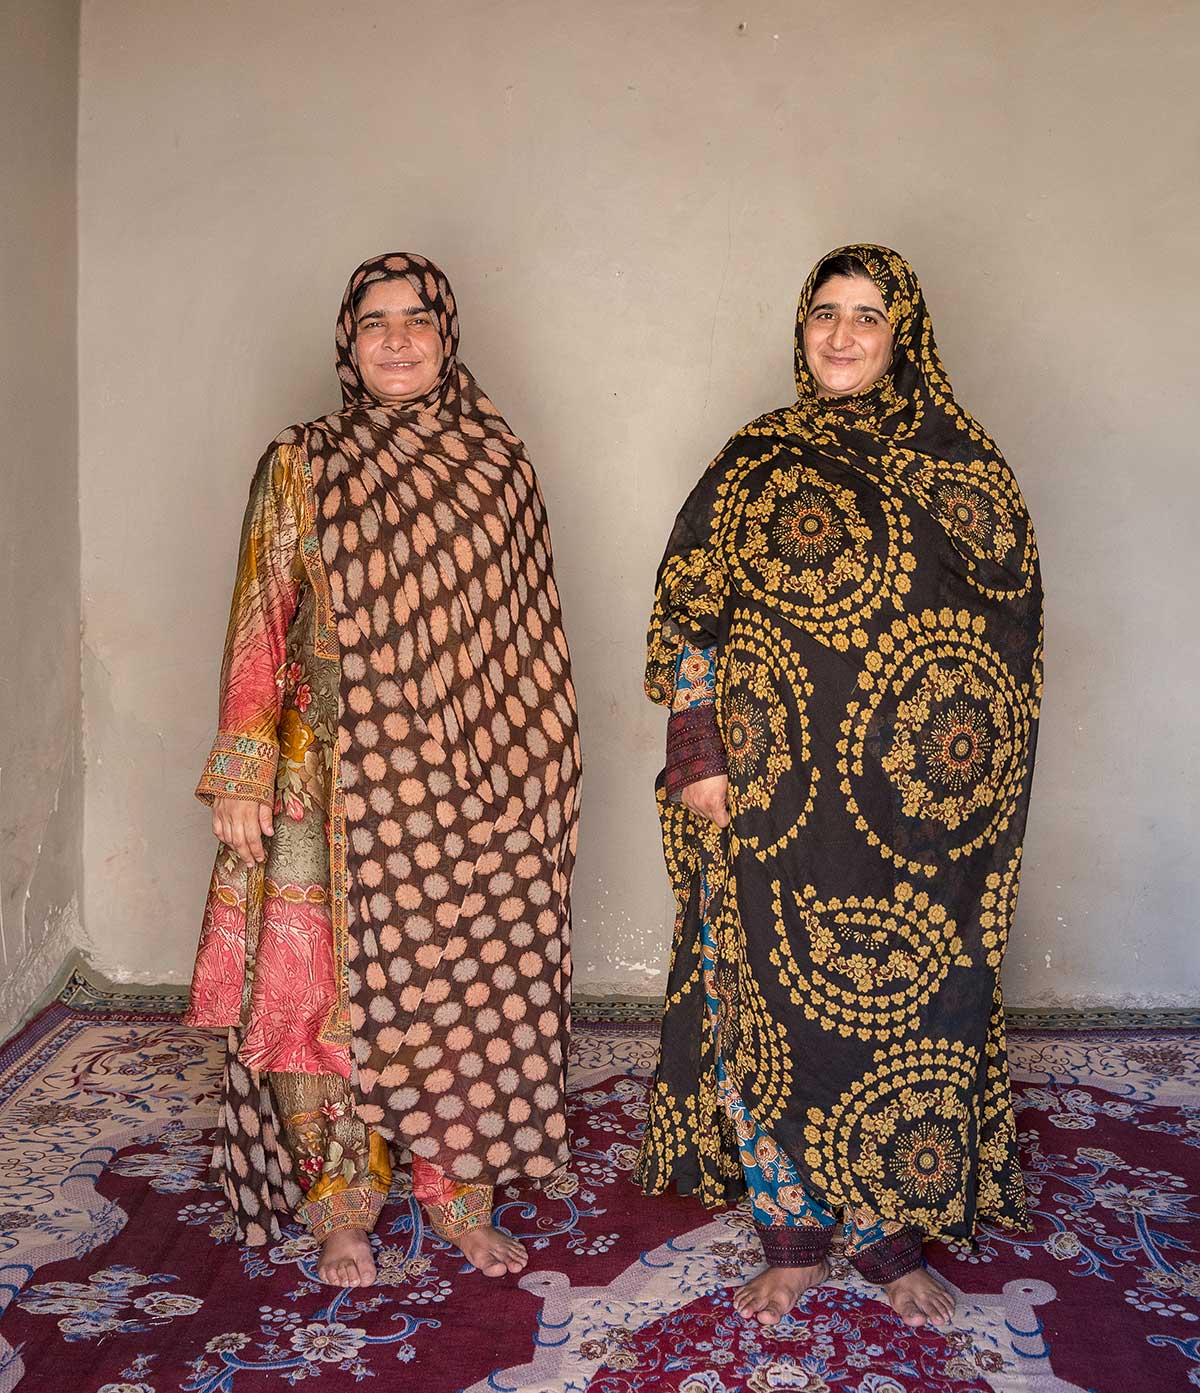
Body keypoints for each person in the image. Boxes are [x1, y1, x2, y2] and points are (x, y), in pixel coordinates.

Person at [638, 244, 1042, 1328]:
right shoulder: (755, 461)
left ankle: (890, 1238)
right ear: (801, 326)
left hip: (917, 816)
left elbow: (1008, 630)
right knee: (764, 999)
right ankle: (793, 1238)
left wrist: (963, 774)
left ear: (904, 331)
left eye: (870, 314)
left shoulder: (965, 468)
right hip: (770, 798)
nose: (844, 334)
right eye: (826, 311)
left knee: (907, 1009)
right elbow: (695, 613)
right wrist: (698, 753)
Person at [185, 252, 581, 1289]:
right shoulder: (302, 460)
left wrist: (535, 777)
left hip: (467, 776)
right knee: (320, 992)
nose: (397, 340)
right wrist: (243, 766)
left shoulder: (500, 463)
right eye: (375, 323)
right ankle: (341, 1207)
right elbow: (262, 613)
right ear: (347, 343)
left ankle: (458, 1196)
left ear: (447, 337)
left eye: (416, 320)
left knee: (461, 981)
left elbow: (530, 639)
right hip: (327, 774)